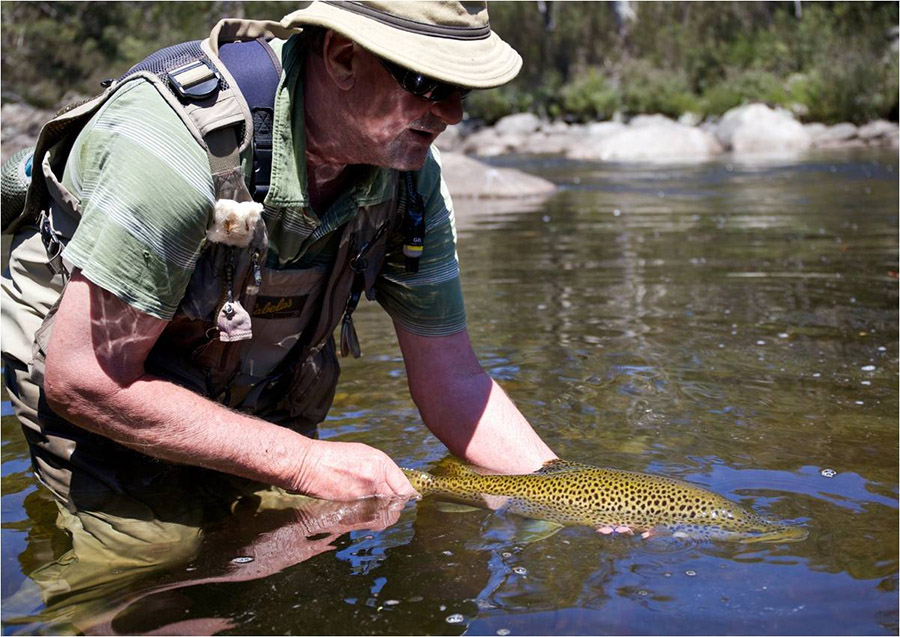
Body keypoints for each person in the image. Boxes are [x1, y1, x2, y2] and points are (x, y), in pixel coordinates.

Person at [1, 0, 556, 531]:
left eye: (463, 90)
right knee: (160, 582)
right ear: (342, 59)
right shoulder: (176, 148)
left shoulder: (410, 181)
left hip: (233, 370)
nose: (454, 114)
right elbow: (85, 378)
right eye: (430, 84)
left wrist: (570, 491)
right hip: (89, 356)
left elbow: (453, 378)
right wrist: (302, 463)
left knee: (297, 549)